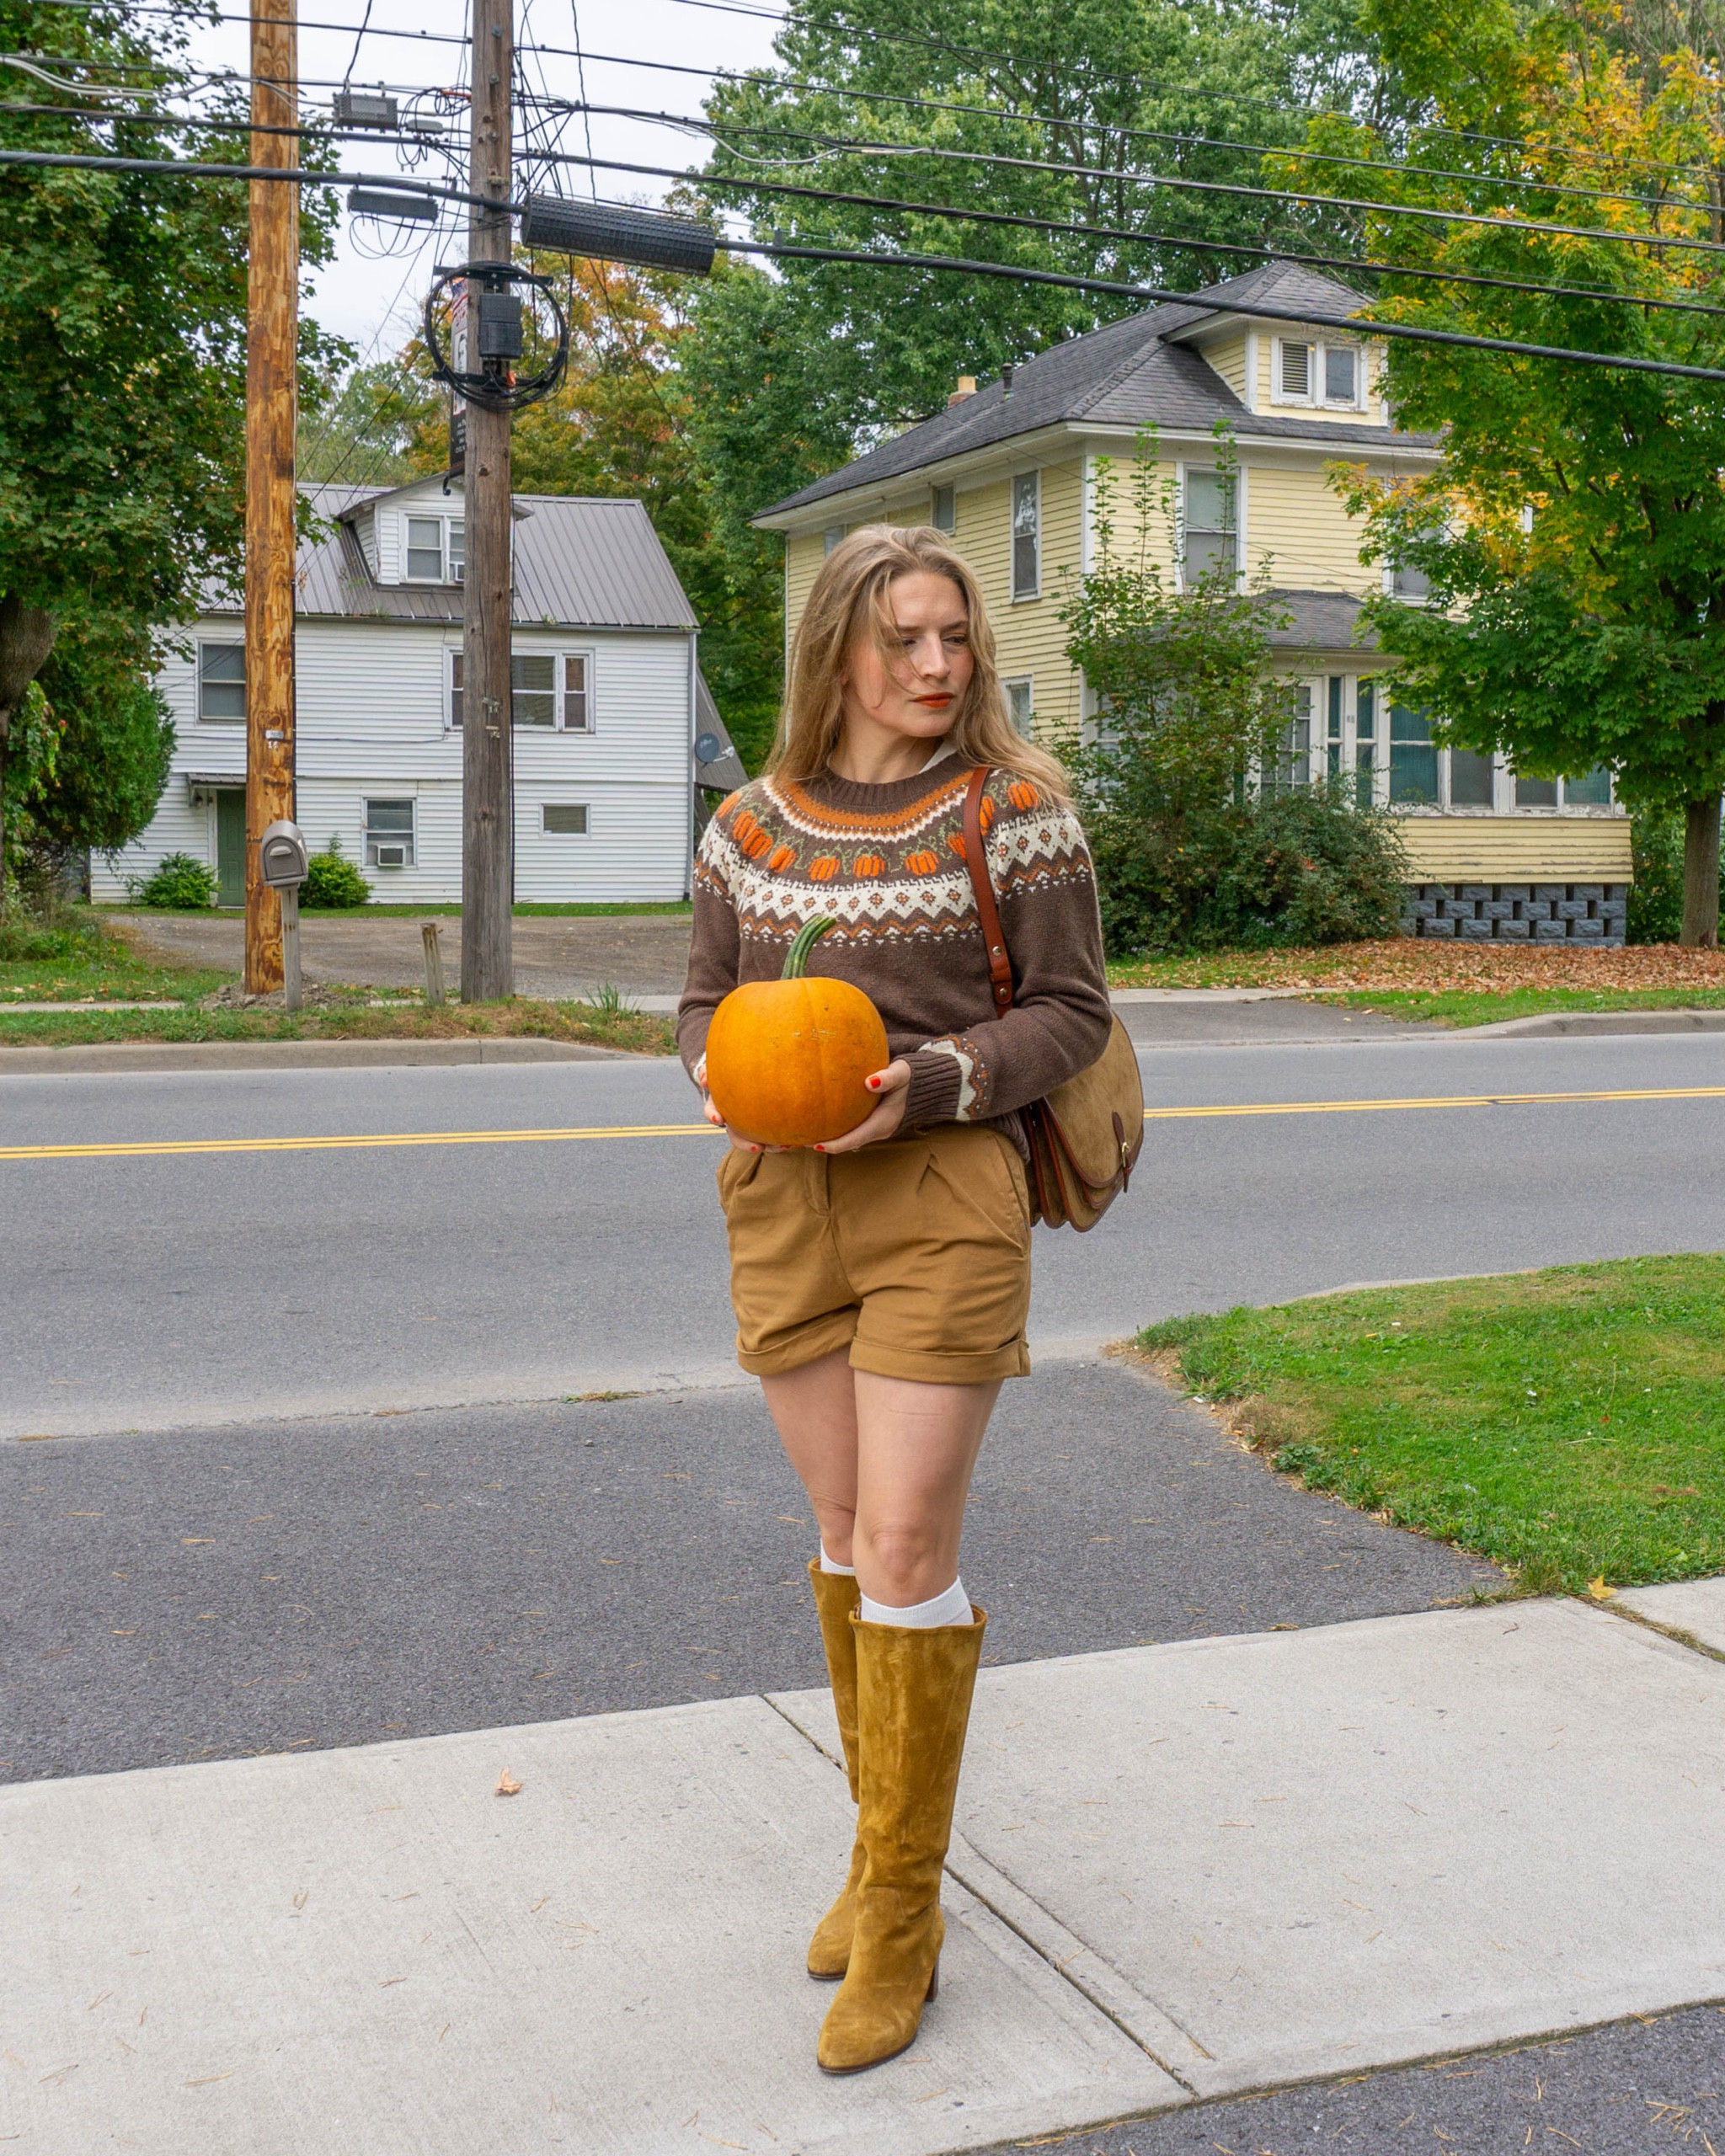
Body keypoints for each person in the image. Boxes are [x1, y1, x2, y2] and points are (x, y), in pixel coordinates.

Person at [677, 523, 1111, 2074]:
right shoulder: (749, 825)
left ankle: (909, 1924)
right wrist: (735, 1076)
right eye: (905, 642)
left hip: (941, 1194)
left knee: (913, 1542)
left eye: (955, 641)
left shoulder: (1015, 813)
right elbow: (701, 1002)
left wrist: (926, 1084)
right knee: (847, 1536)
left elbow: (1069, 1015)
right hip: (786, 1192)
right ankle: (872, 1858)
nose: (937, 669)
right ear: (835, 654)